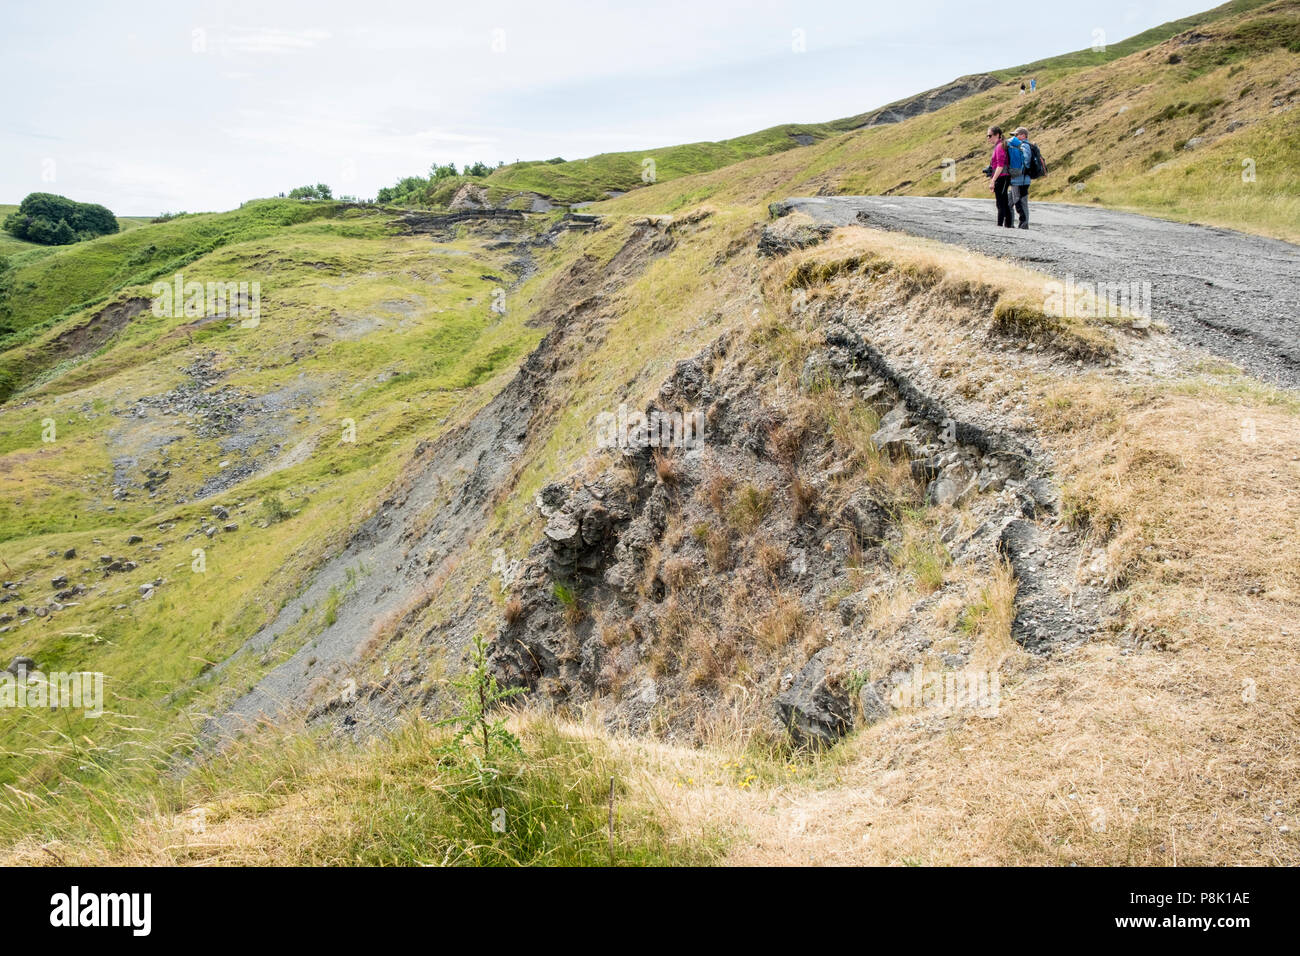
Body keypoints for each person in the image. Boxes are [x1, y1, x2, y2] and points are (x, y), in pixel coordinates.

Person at [1007, 126, 1032, 229]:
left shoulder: (1024, 146)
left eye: (1016, 135)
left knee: (1020, 202)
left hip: (1021, 180)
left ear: (1023, 135)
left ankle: (1023, 225)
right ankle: (1009, 224)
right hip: (1018, 179)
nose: (1015, 137)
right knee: (1009, 202)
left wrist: (1016, 170)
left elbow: (1026, 161)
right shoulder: (1021, 145)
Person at [987, 126, 1012, 227]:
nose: (988, 138)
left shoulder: (999, 146)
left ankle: (1000, 225)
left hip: (1002, 177)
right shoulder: (999, 145)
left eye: (990, 135)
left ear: (997, 135)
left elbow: (1000, 165)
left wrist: (993, 180)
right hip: (1002, 177)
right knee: (1002, 202)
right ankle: (1007, 225)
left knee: (1001, 203)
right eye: (987, 136)